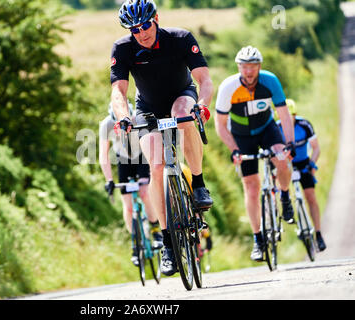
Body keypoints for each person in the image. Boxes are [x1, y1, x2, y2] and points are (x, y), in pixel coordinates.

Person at [110, 0, 214, 276]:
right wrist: (123, 116)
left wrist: (201, 106)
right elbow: (118, 92)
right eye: (134, 29)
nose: (141, 33)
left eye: (145, 25)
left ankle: (199, 183)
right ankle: (168, 244)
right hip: (147, 108)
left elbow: (204, 79)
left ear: (156, 19)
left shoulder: (180, 38)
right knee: (156, 167)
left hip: (183, 95)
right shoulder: (122, 48)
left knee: (184, 114)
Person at [214, 46, 296, 262]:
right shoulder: (228, 87)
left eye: (252, 67)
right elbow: (220, 126)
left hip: (267, 129)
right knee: (251, 187)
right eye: (244, 67)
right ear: (238, 67)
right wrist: (235, 150)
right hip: (241, 137)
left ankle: (285, 196)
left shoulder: (270, 81)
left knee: (282, 159)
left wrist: (289, 144)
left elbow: (284, 115)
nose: (249, 71)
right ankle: (258, 239)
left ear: (259, 67)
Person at [99, 101, 163, 266]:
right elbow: (103, 156)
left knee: (144, 192)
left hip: (141, 156)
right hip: (124, 160)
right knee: (127, 206)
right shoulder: (106, 124)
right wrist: (109, 180)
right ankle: (135, 243)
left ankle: (156, 229)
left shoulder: (136, 119)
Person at [277, 99, 327, 251]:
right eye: (283, 115)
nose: (287, 118)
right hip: (287, 164)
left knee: (310, 196)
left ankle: (318, 234)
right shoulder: (277, 128)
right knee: (278, 189)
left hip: (303, 162)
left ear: (295, 114)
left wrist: (312, 164)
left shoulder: (304, 125)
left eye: (290, 115)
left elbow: (316, 148)